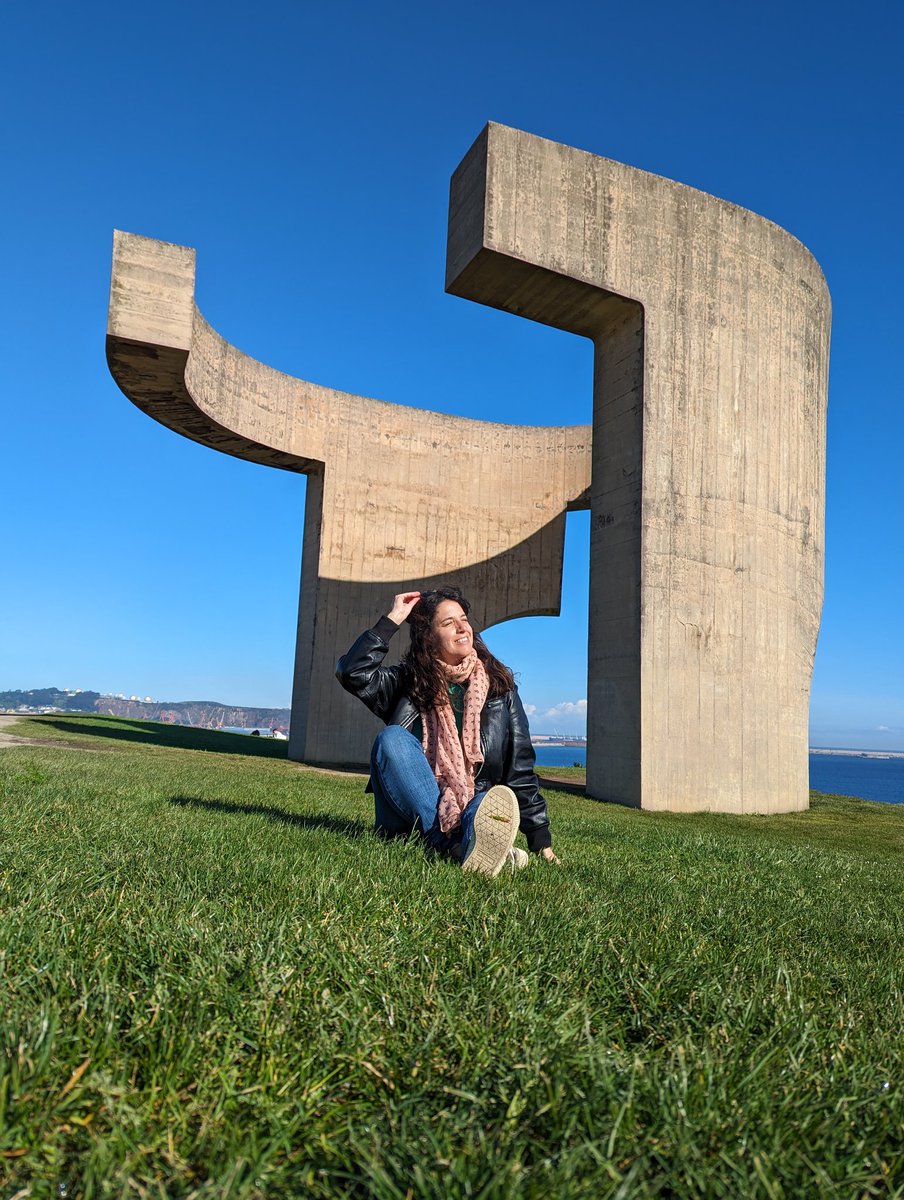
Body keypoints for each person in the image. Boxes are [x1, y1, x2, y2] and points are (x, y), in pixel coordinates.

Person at [336, 586, 560, 876]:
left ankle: (464, 843)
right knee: (391, 740)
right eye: (448, 623)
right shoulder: (408, 683)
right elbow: (353, 673)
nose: (461, 627)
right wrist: (391, 620)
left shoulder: (500, 690)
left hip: (472, 800)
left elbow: (520, 769)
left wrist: (541, 839)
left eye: (463, 619)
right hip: (409, 812)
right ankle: (461, 844)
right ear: (429, 638)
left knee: (488, 803)